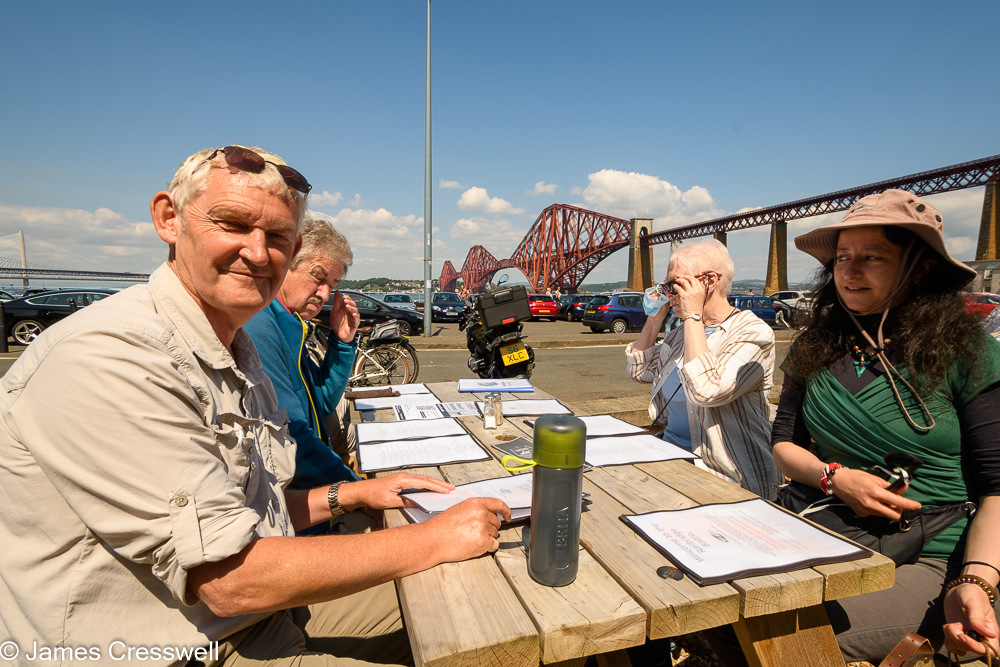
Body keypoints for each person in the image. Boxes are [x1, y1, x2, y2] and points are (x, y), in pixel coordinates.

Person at [0, 145, 508, 665]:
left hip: (254, 618)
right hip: (182, 645)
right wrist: (435, 537)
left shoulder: (234, 346)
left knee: (491, 604)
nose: (259, 253)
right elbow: (230, 579)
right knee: (461, 603)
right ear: (168, 219)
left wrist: (351, 496)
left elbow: (239, 518)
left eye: (278, 237)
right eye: (233, 224)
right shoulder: (111, 357)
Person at [718, 189, 1000, 664]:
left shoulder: (970, 353)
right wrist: (835, 477)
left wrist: (976, 579)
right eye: (843, 257)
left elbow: (997, 489)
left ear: (921, 266)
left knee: (781, 632)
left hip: (938, 551)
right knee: (716, 609)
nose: (849, 271)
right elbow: (783, 444)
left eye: (872, 257)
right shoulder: (817, 344)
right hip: (829, 526)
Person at [625, 238, 781, 499]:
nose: (668, 292)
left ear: (709, 281)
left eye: (675, 284)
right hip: (673, 459)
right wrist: (656, 317)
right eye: (666, 285)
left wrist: (692, 316)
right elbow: (640, 371)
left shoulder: (753, 333)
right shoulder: (680, 335)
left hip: (728, 477)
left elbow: (706, 391)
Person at [243, 216, 367, 532]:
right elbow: (291, 435)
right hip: (289, 514)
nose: (324, 294)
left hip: (306, 501)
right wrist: (358, 490)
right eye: (318, 278)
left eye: (332, 286)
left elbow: (322, 402)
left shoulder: (290, 324)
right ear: (287, 262)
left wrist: (342, 343)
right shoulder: (260, 325)